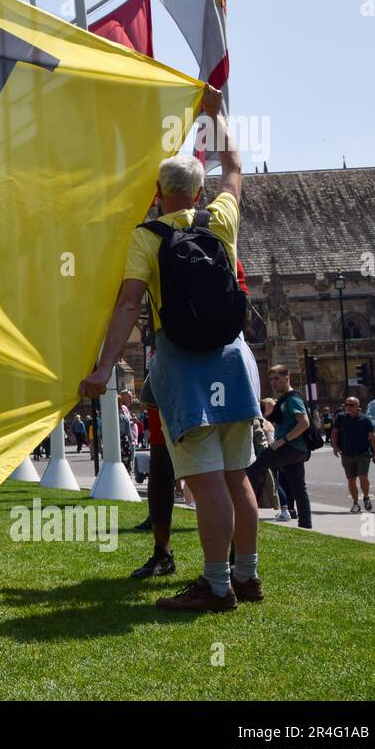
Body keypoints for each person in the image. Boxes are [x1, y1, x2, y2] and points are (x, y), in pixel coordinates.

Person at [80, 85, 263, 612]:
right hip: (235, 357)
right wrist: (215, 113)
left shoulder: (148, 236)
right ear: (199, 193)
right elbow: (234, 167)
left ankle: (215, 584)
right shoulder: (222, 220)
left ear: (158, 193)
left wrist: (104, 367)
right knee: (236, 478)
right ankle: (247, 577)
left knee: (205, 483)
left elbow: (128, 305)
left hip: (183, 363)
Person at [246, 366, 313, 529]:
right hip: (296, 450)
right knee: (298, 487)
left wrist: (282, 440)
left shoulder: (292, 399)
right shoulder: (285, 399)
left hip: (290, 447)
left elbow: (304, 423)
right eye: (270, 379)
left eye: (276, 378)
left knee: (254, 469)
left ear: (287, 377)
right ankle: (305, 524)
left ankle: (246, 512)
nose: (273, 383)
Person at [131, 404, 179, 578]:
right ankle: (162, 554)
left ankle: (232, 565)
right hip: (162, 395)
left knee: (221, 473)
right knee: (160, 468)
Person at [331, 397, 375, 513]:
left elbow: (372, 438)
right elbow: (334, 433)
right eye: (346, 405)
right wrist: (335, 447)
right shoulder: (341, 418)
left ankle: (366, 497)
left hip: (363, 453)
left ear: (358, 406)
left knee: (363, 477)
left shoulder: (365, 420)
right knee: (351, 480)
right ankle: (355, 503)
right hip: (347, 454)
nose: (348, 407)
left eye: (351, 405)